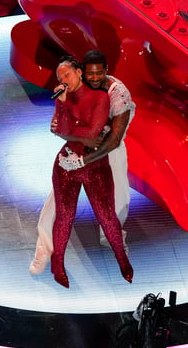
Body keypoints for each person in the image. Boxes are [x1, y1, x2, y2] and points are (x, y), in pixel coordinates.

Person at [30, 49, 135, 275]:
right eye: (89, 74)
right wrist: (76, 138)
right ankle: (44, 248)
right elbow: (58, 128)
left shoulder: (118, 94)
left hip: (109, 150)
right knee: (56, 205)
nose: (93, 78)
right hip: (76, 150)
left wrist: (84, 160)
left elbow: (113, 141)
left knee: (117, 202)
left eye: (98, 74)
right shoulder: (75, 87)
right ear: (82, 72)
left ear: (106, 71)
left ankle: (114, 241)